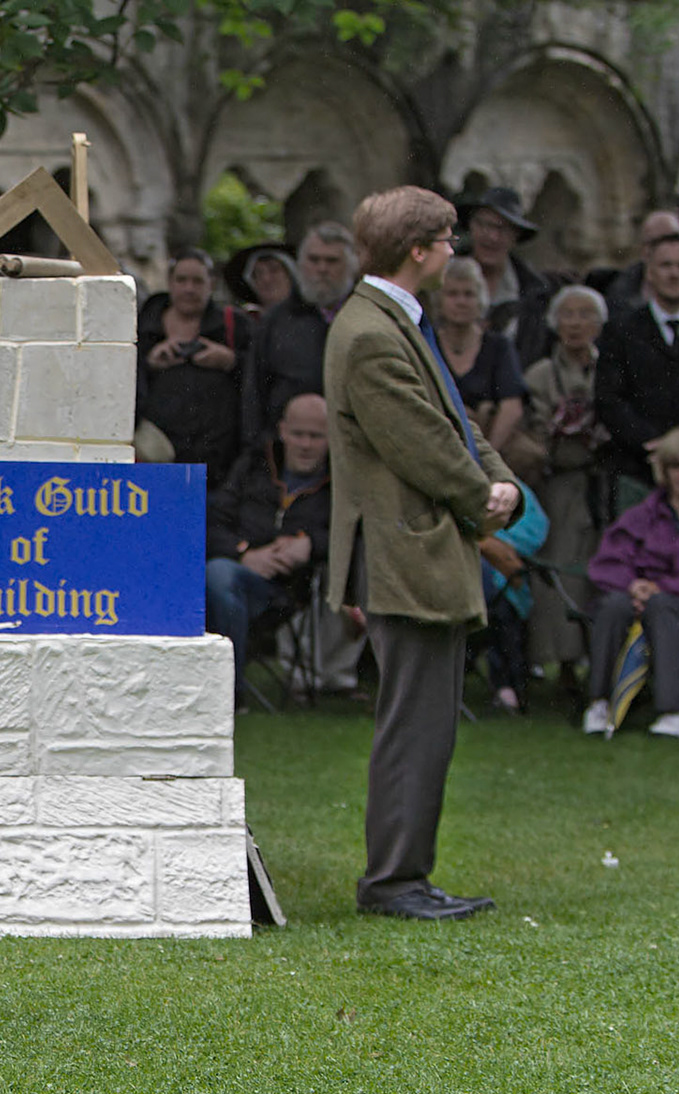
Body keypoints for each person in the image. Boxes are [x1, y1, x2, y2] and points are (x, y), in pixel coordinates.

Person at [323, 186, 523, 922]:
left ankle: (406, 874)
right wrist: (484, 497)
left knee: (427, 720)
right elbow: (423, 445)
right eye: (446, 240)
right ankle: (395, 881)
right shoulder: (371, 332)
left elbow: (456, 421)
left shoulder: (392, 320)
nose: (452, 252)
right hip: (404, 553)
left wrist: (501, 485)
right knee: (416, 722)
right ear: (417, 248)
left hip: (418, 550)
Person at [580, 426, 679, 739]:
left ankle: (673, 711)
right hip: (636, 594)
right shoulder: (643, 514)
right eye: (677, 466)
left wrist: (659, 590)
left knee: (662, 607)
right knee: (612, 605)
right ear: (664, 471)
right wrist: (633, 586)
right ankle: (599, 702)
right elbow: (607, 560)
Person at [204, 392, 333, 700]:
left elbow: (355, 536)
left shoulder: (339, 482)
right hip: (239, 571)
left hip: (290, 589)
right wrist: (244, 553)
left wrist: (312, 544)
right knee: (219, 575)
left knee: (218, 576)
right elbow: (211, 519)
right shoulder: (253, 466)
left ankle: (226, 694)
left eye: (316, 436)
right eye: (298, 434)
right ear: (283, 430)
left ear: (332, 438)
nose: (305, 444)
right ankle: (227, 689)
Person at [594, 236, 679, 507]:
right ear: (650, 272)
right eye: (666, 265)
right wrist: (654, 444)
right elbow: (609, 399)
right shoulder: (622, 331)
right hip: (639, 470)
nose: (674, 273)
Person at [522, 285, 608, 681]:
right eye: (567, 315)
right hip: (559, 482)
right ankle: (563, 660)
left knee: (597, 568)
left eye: (585, 314)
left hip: (601, 480)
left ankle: (599, 657)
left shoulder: (611, 368)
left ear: (600, 323)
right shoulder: (539, 374)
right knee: (561, 569)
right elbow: (531, 428)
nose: (575, 324)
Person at [136, 248, 251, 482]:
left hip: (218, 462)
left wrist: (230, 361)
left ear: (212, 283)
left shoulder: (235, 326)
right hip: (156, 456)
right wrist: (149, 362)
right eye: (181, 280)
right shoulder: (142, 326)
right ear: (169, 282)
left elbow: (259, 378)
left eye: (198, 281)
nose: (189, 289)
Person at [243, 222, 359, 443]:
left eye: (332, 261)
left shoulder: (368, 317)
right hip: (288, 452)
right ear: (301, 264)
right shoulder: (275, 322)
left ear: (352, 265)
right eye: (314, 260)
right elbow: (254, 394)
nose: (322, 269)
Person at [435, 256, 530, 484]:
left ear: (481, 300)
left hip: (490, 443)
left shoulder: (498, 346)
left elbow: (512, 407)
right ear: (440, 300)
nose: (461, 302)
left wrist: (487, 458)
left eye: (468, 294)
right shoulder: (426, 344)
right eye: (452, 294)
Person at [455, 185, 559, 367]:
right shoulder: (444, 276)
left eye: (502, 229)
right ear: (471, 226)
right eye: (484, 225)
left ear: (516, 236)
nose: (492, 237)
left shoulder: (533, 290)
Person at [472, 479, 550, 714]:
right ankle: (506, 686)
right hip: (466, 585)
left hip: (509, 585)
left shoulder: (514, 489)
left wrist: (496, 546)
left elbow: (535, 530)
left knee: (506, 606)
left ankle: (509, 686)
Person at [601, 210, 679, 317]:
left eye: (676, 239)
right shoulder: (617, 292)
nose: (670, 249)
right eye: (658, 243)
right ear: (644, 249)